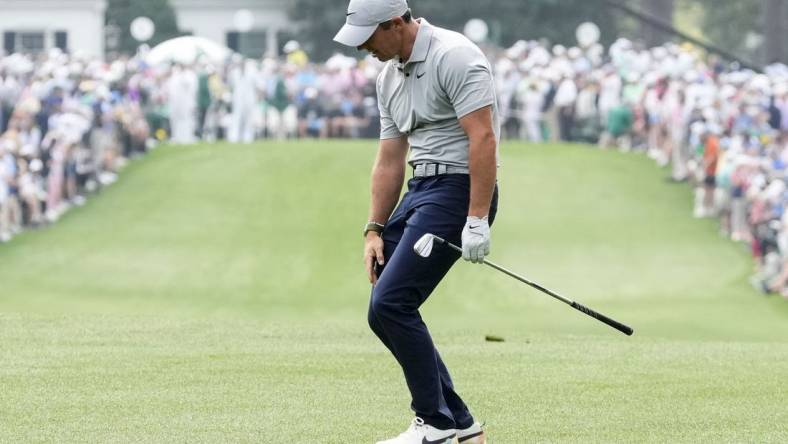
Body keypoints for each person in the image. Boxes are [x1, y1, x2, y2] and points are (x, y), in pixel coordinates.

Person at [334, 1, 499, 443]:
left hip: (457, 192)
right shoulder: (389, 75)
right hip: (420, 192)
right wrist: (373, 228)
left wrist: (477, 218)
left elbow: (482, 138)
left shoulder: (455, 56)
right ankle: (460, 423)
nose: (364, 48)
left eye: (369, 37)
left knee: (393, 303)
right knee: (380, 311)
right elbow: (390, 159)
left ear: (394, 23)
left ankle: (437, 423)